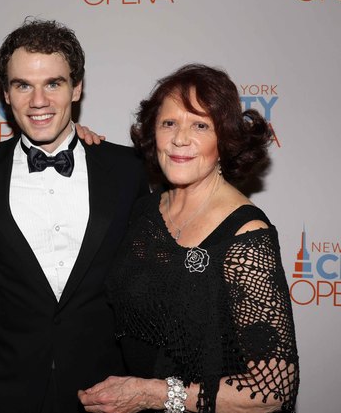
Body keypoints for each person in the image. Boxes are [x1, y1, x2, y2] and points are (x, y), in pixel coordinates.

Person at [78, 64, 299, 413]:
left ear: (224, 138)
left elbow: (273, 391)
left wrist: (154, 394)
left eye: (200, 125)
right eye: (169, 123)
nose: (181, 139)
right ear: (153, 132)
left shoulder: (246, 234)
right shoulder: (145, 212)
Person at [0, 19, 149, 413]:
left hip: (106, 390)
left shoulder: (127, 170)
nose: (38, 101)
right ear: (5, 94)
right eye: (23, 84)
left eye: (53, 84)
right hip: (10, 390)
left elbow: (148, 281)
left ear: (77, 88)